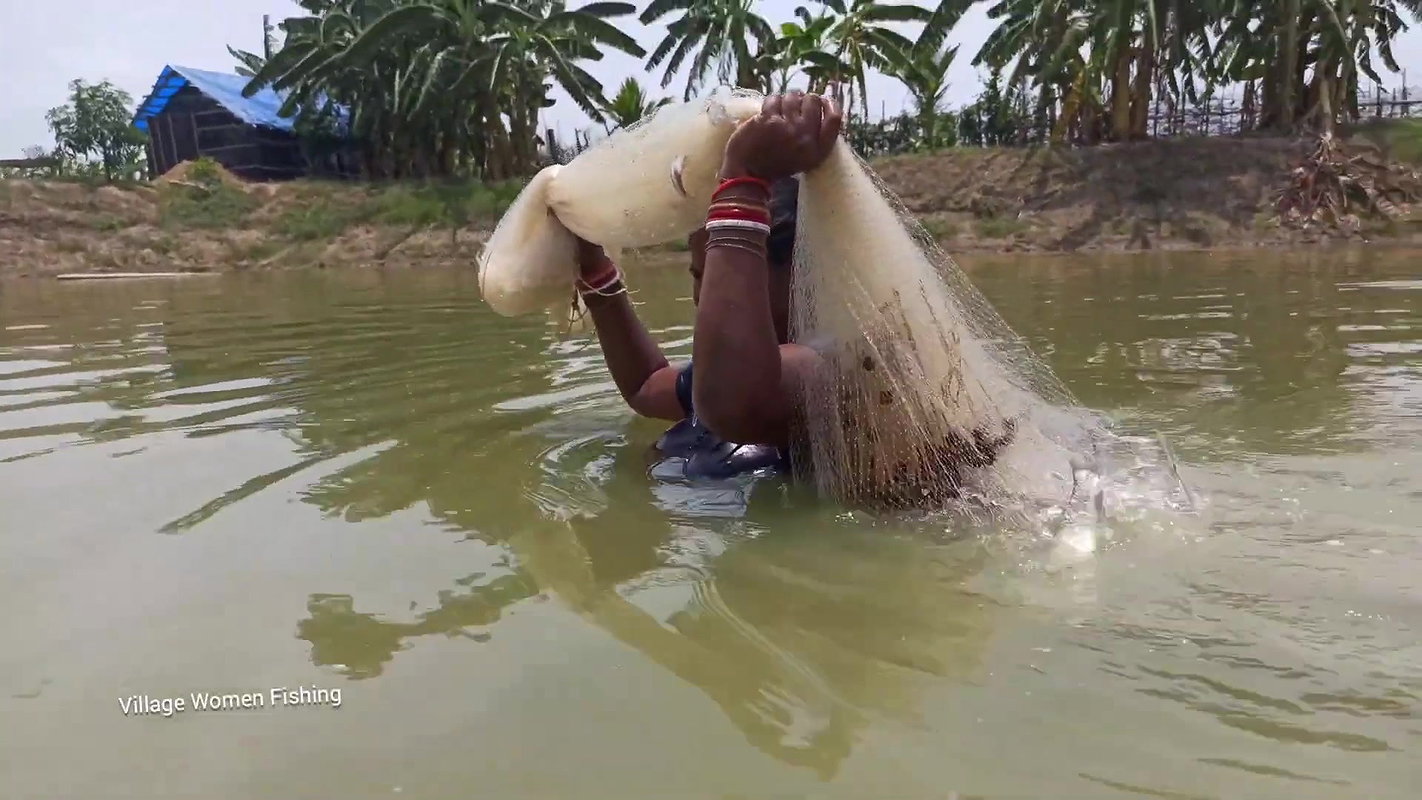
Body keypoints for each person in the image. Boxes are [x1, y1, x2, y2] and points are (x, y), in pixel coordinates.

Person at [569, 91, 842, 481]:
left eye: (717, 274)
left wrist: (745, 181)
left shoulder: (839, 377)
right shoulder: (720, 374)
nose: (701, 298)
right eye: (700, 276)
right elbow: (646, 386)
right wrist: (595, 271)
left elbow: (738, 402)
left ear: (801, 268)